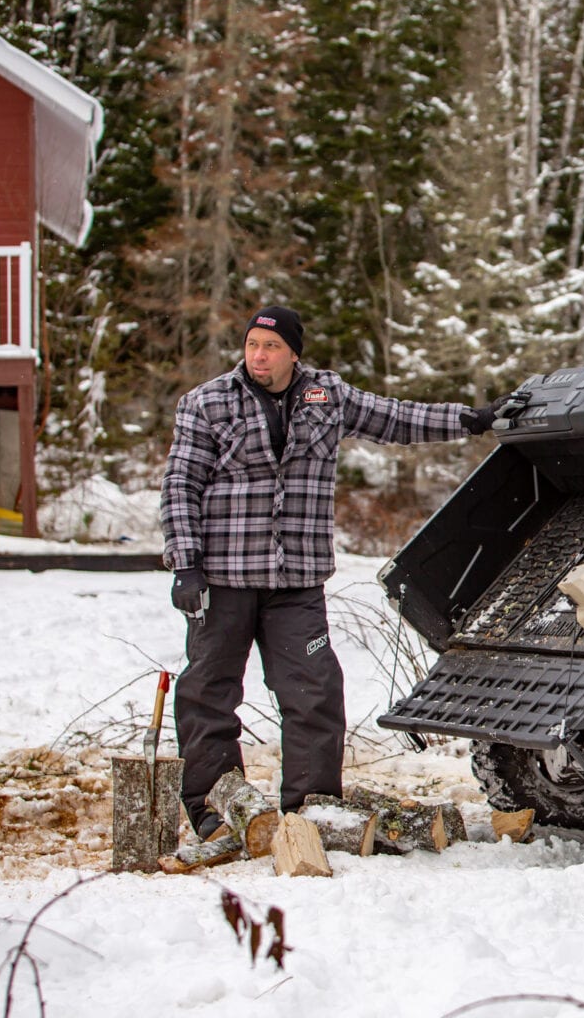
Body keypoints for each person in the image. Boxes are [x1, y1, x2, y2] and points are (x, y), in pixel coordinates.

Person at [160, 305, 504, 840]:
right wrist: (186, 565)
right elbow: (181, 484)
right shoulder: (206, 402)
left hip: (296, 580)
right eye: (252, 345)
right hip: (223, 577)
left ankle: (311, 811)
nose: (258, 356)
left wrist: (472, 419)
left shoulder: (327, 396)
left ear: (293, 353)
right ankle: (216, 814)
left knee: (315, 690)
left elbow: (397, 418)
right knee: (209, 691)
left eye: (270, 347)